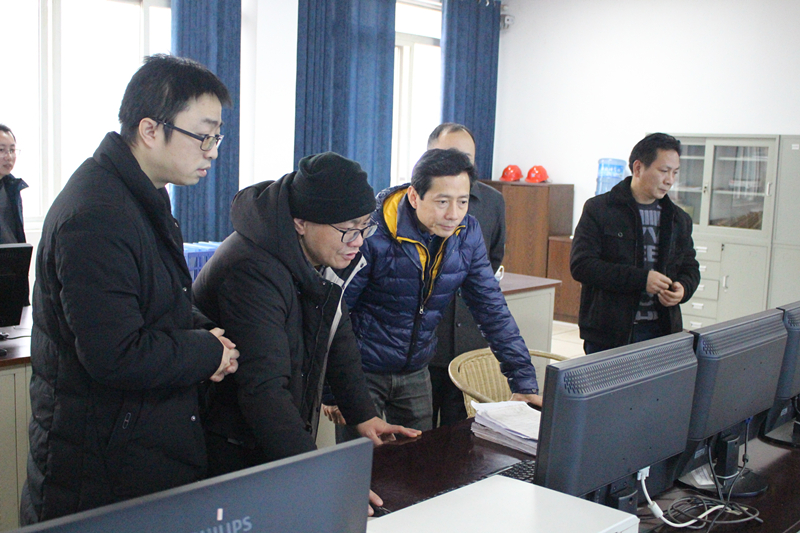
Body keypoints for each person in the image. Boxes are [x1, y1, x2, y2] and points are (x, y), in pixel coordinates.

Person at [21, 55, 240, 525]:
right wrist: (207, 352)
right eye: (204, 136)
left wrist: (208, 334)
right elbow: (114, 354)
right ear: (150, 130)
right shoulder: (97, 214)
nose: (212, 152)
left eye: (217, 137)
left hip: (137, 452)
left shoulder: (140, 194)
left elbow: (161, 299)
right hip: (98, 472)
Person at [191, 152, 420, 512]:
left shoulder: (322, 253)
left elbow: (337, 334)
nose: (358, 241)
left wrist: (363, 414)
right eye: (348, 229)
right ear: (300, 222)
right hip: (231, 441)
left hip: (270, 434)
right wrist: (318, 474)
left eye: (365, 227)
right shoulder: (252, 269)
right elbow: (263, 389)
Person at [329, 148, 540, 440]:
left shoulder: (467, 234)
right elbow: (336, 310)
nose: (453, 214)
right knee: (360, 461)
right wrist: (333, 389)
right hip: (362, 371)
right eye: (442, 202)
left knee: (419, 457)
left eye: (462, 201)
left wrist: (523, 381)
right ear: (415, 196)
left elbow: (491, 308)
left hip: (416, 370)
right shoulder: (373, 232)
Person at [570, 132, 700, 354]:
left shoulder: (678, 219)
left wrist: (683, 289)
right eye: (664, 171)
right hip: (609, 334)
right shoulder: (599, 210)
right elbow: (582, 266)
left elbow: (690, 267)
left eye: (675, 172)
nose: (670, 180)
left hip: (661, 332)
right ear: (638, 168)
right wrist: (641, 280)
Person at [425, 123, 506, 427]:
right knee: (417, 436)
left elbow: (492, 260)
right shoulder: (412, 201)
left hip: (469, 344)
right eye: (449, 157)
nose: (459, 166)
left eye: (467, 159)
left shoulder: (493, 201)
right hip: (422, 344)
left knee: (461, 434)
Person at [0, 124, 27, 244]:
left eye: (12, 150)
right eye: (1, 150)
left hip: (12, 255)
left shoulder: (12, 187)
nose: (8, 157)